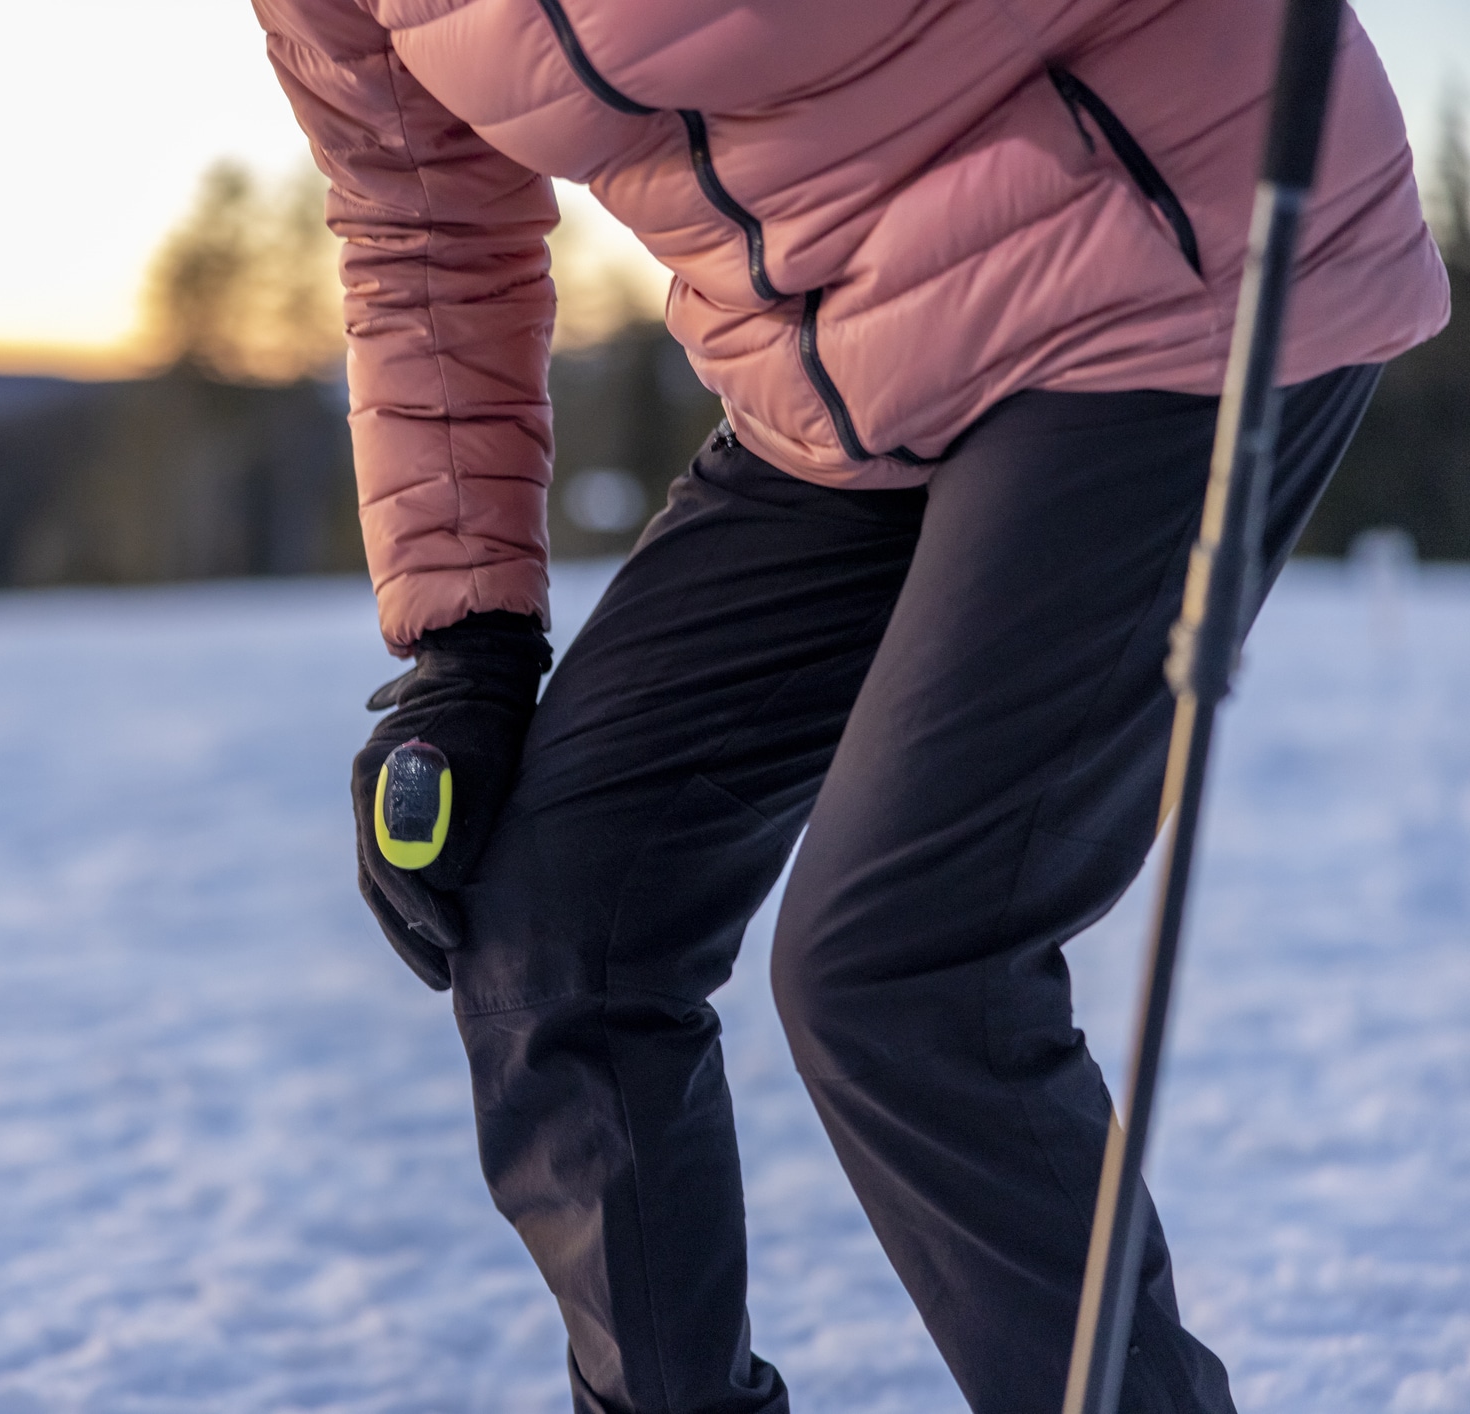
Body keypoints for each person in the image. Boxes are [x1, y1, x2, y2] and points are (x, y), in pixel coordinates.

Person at [249, 1, 1449, 1410]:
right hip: (838, 375)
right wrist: (470, 643)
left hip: (1157, 249)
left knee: (903, 963)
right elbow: (423, 230)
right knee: (558, 926)